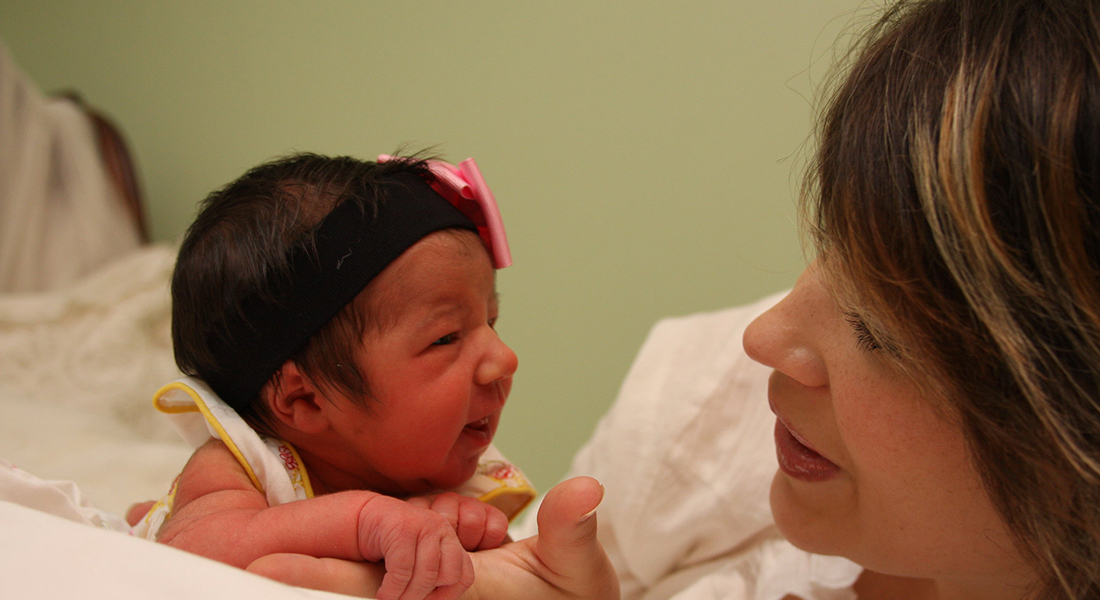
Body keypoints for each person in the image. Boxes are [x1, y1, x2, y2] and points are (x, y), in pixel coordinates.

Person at [130, 153, 538, 600]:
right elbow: (185, 555)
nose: (503, 358)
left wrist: (470, 546)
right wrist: (366, 522)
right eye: (445, 339)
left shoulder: (429, 470)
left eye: (491, 323)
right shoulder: (244, 467)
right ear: (305, 399)